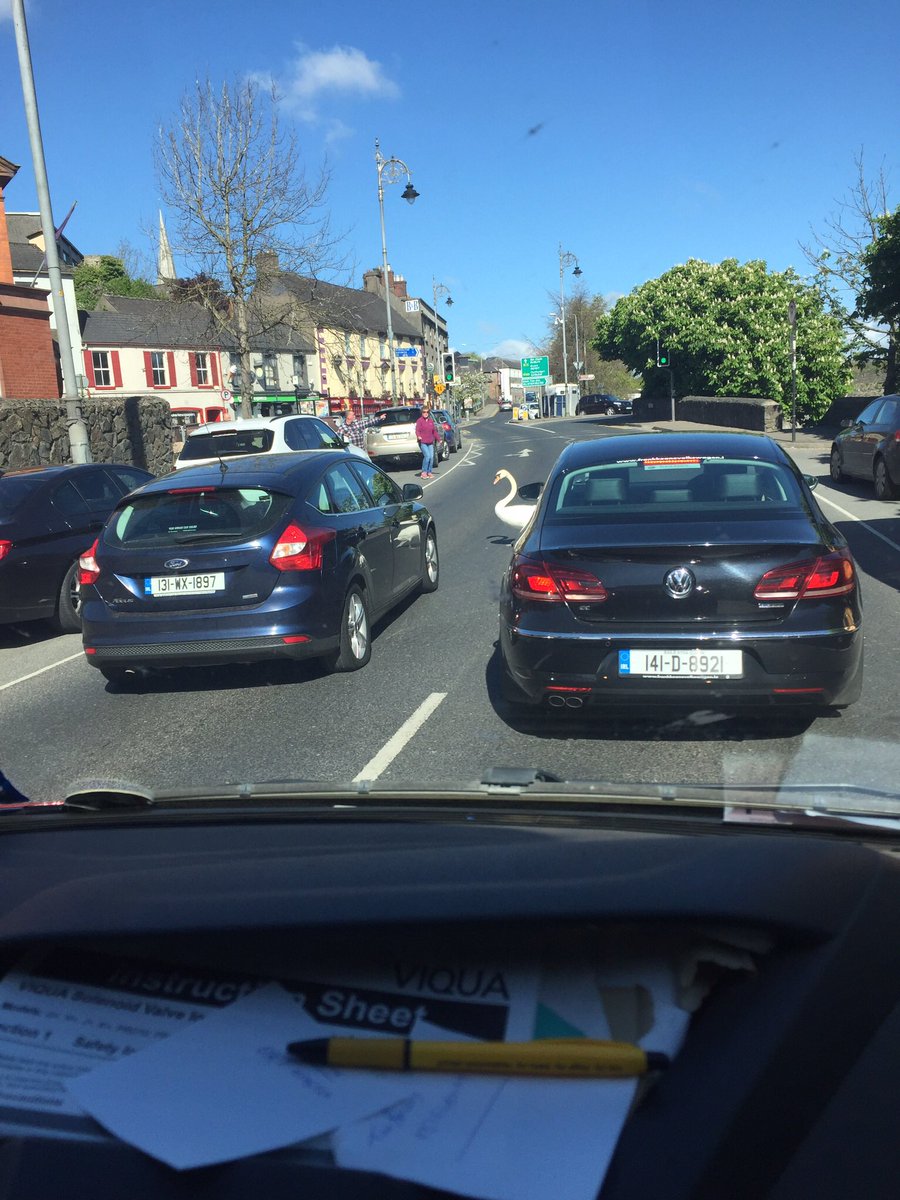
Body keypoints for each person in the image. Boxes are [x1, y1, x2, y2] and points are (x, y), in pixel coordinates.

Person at [415, 405, 440, 477]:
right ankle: (424, 472)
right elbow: (417, 430)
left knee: (432, 457)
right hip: (423, 442)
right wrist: (418, 436)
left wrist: (439, 439)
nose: (426, 413)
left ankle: (429, 472)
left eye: (427, 412)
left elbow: (434, 432)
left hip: (430, 442)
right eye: (424, 412)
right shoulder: (419, 421)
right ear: (421, 413)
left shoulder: (431, 421)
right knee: (427, 456)